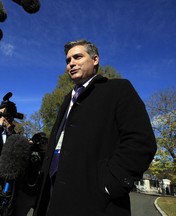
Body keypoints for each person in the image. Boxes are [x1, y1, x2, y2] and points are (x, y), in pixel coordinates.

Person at [33, 39, 157, 216]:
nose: (71, 64)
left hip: (94, 202)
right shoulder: (67, 100)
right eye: (68, 60)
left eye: (77, 57)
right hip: (53, 197)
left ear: (95, 59)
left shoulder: (118, 89)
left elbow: (141, 141)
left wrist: (110, 185)